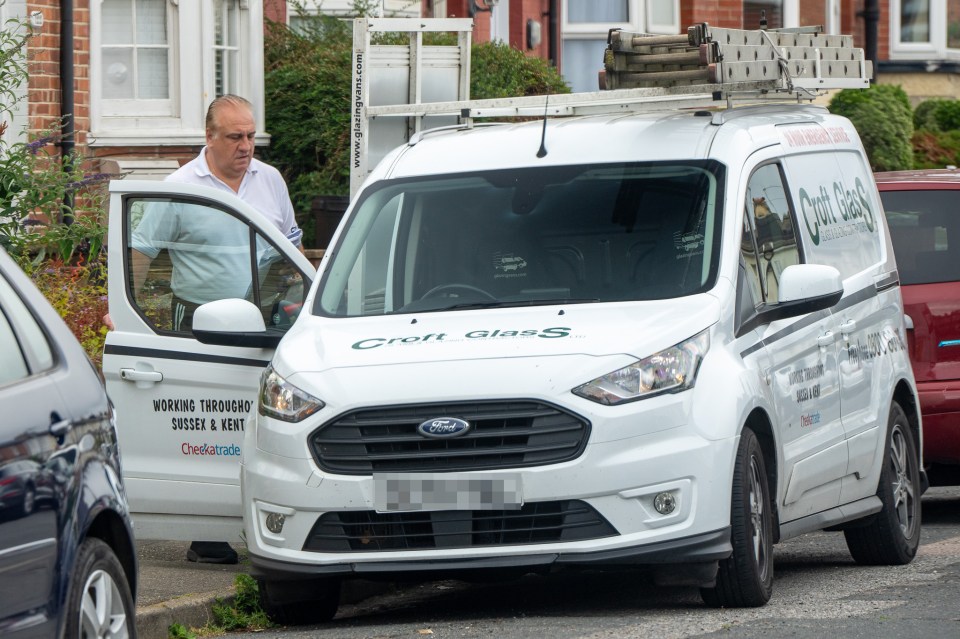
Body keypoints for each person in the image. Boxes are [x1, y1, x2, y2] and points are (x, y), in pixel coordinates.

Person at [125, 95, 303, 564]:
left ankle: (269, 512)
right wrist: (121, 310)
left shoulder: (270, 181)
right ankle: (206, 532)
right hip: (202, 323)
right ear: (209, 137)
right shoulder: (182, 187)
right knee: (212, 418)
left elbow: (291, 241)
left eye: (250, 136)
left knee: (263, 416)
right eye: (234, 137)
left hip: (265, 315)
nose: (246, 147)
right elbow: (140, 249)